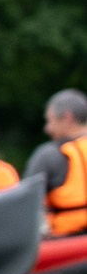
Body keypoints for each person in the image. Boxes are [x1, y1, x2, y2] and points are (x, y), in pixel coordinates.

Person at [27, 88, 87, 237]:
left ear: (67, 117)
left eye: (50, 121)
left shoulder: (49, 155)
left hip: (65, 246)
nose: (47, 129)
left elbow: (27, 206)